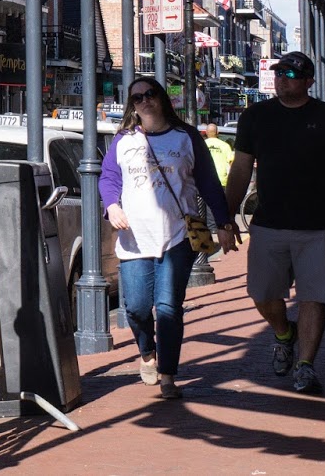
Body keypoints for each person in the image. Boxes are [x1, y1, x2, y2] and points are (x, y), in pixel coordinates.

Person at [225, 51, 325, 396]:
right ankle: (284, 332)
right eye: (279, 73)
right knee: (262, 293)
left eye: (290, 74)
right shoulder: (255, 117)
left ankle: (305, 365)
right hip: (269, 223)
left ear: (308, 81)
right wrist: (226, 217)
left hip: (320, 225)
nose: (282, 79)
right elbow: (241, 169)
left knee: (313, 297)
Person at [100, 78, 235, 400]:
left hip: (177, 236)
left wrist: (224, 223)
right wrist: (112, 206)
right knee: (136, 308)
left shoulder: (185, 136)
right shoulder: (124, 140)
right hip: (134, 239)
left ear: (162, 98)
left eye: (150, 94)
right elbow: (109, 177)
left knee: (168, 308)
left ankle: (168, 375)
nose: (144, 101)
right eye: (137, 98)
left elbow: (208, 181)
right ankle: (147, 352)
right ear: (132, 106)